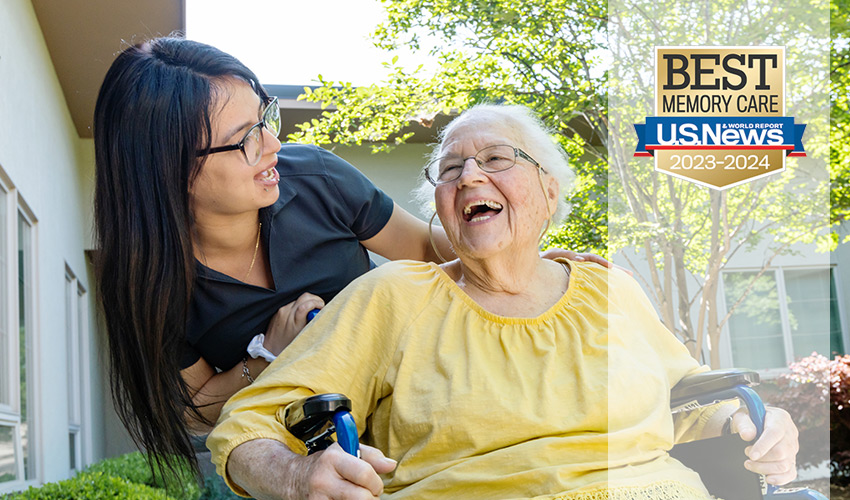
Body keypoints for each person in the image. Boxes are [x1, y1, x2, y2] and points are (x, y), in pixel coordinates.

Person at [207, 104, 799, 500]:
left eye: (494, 160)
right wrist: (293, 474)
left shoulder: (608, 289)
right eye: (450, 170)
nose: (468, 176)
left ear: (548, 190)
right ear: (441, 207)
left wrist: (753, 421)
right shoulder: (395, 296)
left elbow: (687, 400)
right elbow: (245, 425)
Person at [92, 37, 607, 475]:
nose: (274, 143)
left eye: (265, 117)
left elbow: (429, 247)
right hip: (294, 459)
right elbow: (197, 411)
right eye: (245, 139)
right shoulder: (144, 279)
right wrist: (266, 356)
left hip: (415, 420)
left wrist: (522, 257)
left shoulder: (316, 179)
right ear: (170, 168)